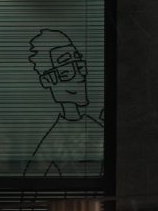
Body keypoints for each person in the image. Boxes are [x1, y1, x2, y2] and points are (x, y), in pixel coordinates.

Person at [23, 29, 103, 176]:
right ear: (47, 80)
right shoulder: (53, 139)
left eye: (79, 65)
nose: (80, 76)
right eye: (67, 71)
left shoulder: (95, 126)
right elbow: (30, 180)